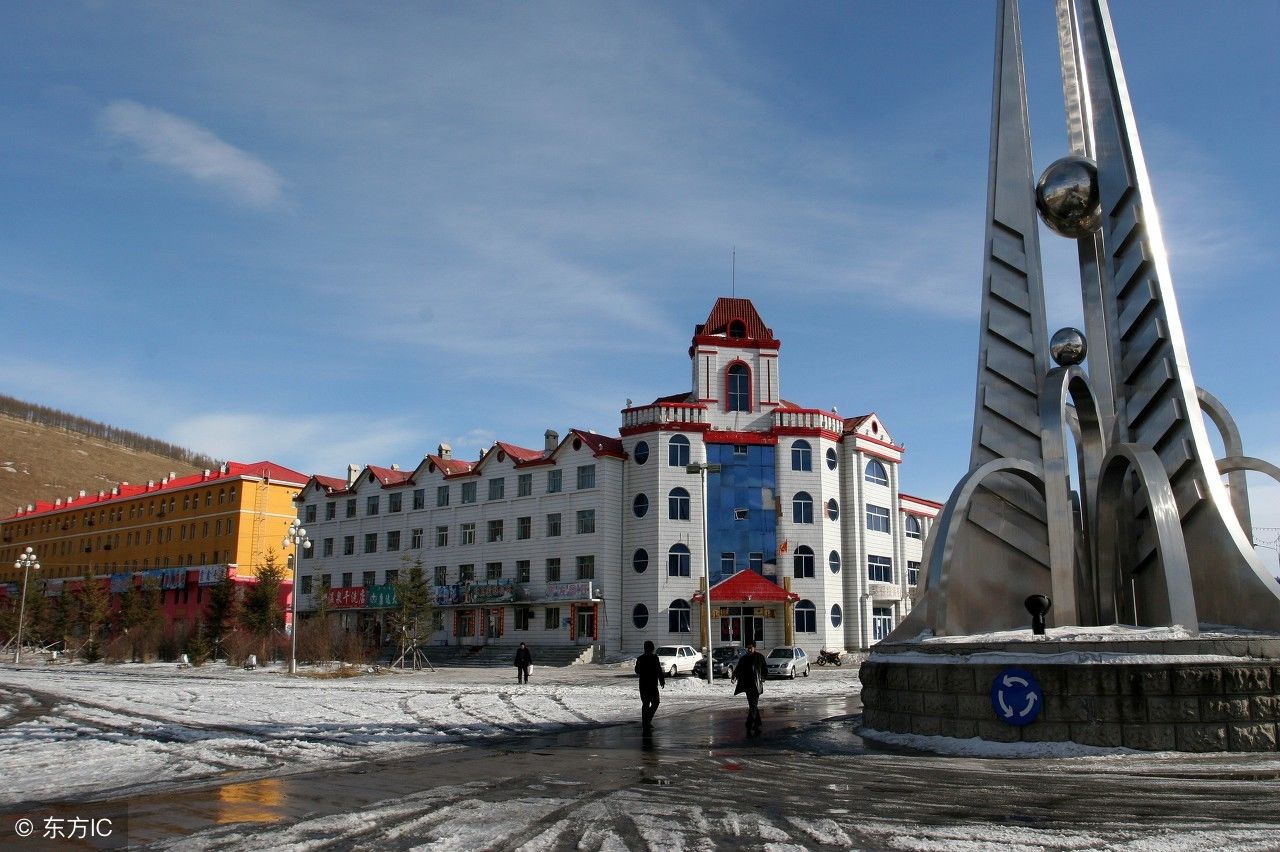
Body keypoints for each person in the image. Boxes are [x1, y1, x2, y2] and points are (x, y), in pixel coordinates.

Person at [731, 641, 767, 734]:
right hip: (747, 686)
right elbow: (738, 669)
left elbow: (765, 670)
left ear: (754, 647)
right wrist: (734, 677)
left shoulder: (759, 657)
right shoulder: (744, 658)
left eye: (750, 648)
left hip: (756, 686)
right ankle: (757, 724)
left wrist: (762, 678)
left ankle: (749, 725)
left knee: (753, 705)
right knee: (753, 705)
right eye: (748, 648)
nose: (749, 649)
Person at [634, 640, 666, 728]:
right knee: (655, 702)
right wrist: (661, 680)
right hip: (652, 684)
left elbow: (637, 671)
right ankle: (647, 720)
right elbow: (659, 670)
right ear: (652, 648)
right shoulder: (654, 658)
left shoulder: (640, 658)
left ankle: (646, 721)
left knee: (645, 703)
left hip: (643, 684)